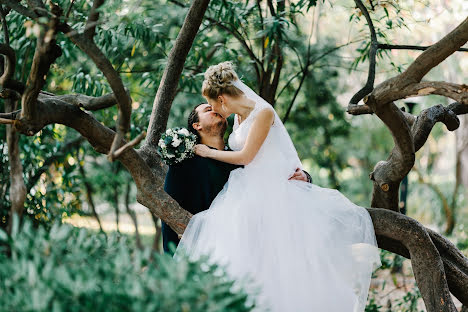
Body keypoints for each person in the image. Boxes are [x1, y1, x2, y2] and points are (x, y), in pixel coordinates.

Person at [175, 62, 381, 312]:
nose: (217, 111)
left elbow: (246, 157)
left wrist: (207, 152)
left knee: (282, 262)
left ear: (221, 99)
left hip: (272, 191)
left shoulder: (263, 112)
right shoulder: (240, 118)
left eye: (214, 105)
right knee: (244, 257)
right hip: (247, 189)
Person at [162, 103, 312, 254]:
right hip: (206, 253)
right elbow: (168, 211)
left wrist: (305, 178)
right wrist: (172, 262)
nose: (215, 109)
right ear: (197, 125)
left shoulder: (243, 159)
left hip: (249, 252)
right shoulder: (184, 164)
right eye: (208, 109)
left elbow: (271, 181)